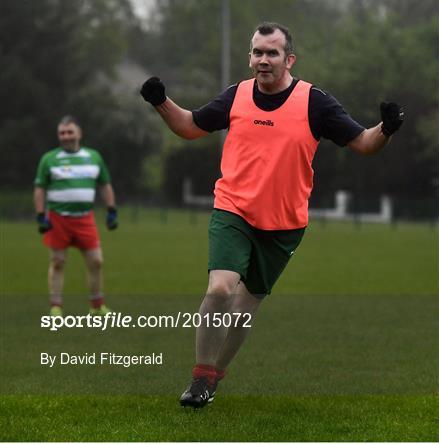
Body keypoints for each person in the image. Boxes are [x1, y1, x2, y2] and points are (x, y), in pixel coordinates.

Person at [140, 22, 404, 408]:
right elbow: (191, 126)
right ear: (250, 57)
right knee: (219, 289)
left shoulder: (316, 103)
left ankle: (213, 379)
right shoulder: (237, 96)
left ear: (289, 59)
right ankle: (199, 377)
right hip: (233, 208)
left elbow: (364, 143)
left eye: (272, 52)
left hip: (284, 224)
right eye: (257, 52)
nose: (263, 59)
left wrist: (387, 128)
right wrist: (161, 102)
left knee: (245, 308)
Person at [33, 115, 118, 317]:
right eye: (62, 133)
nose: (66, 136)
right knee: (58, 261)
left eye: (70, 131)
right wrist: (40, 215)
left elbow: (105, 185)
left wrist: (111, 210)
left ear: (79, 133)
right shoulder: (49, 159)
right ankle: (56, 306)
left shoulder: (94, 157)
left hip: (84, 218)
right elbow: (40, 188)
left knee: (96, 261)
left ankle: (97, 306)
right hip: (58, 218)